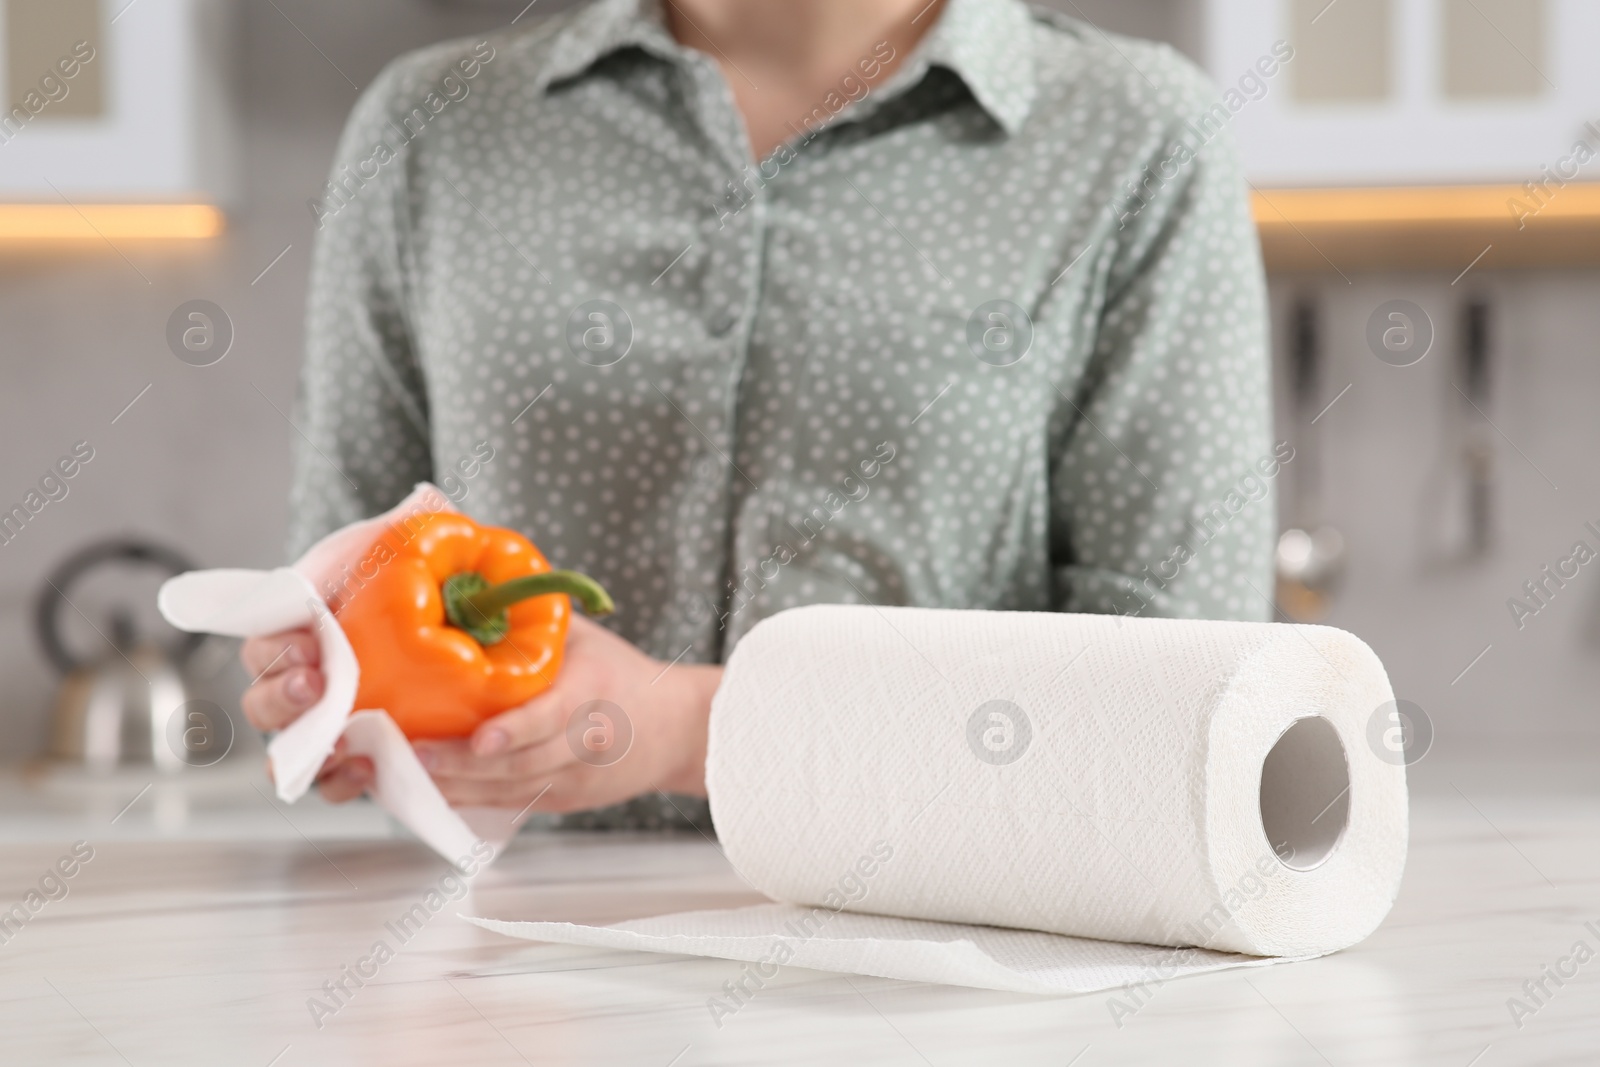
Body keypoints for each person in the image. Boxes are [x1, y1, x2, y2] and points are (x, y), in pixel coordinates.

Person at [240, 0, 1275, 829]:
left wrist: (691, 729)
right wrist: (324, 688)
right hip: (492, 969)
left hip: (935, 950)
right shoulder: (432, 127)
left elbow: (1187, 700)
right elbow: (338, 568)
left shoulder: (1136, 136)